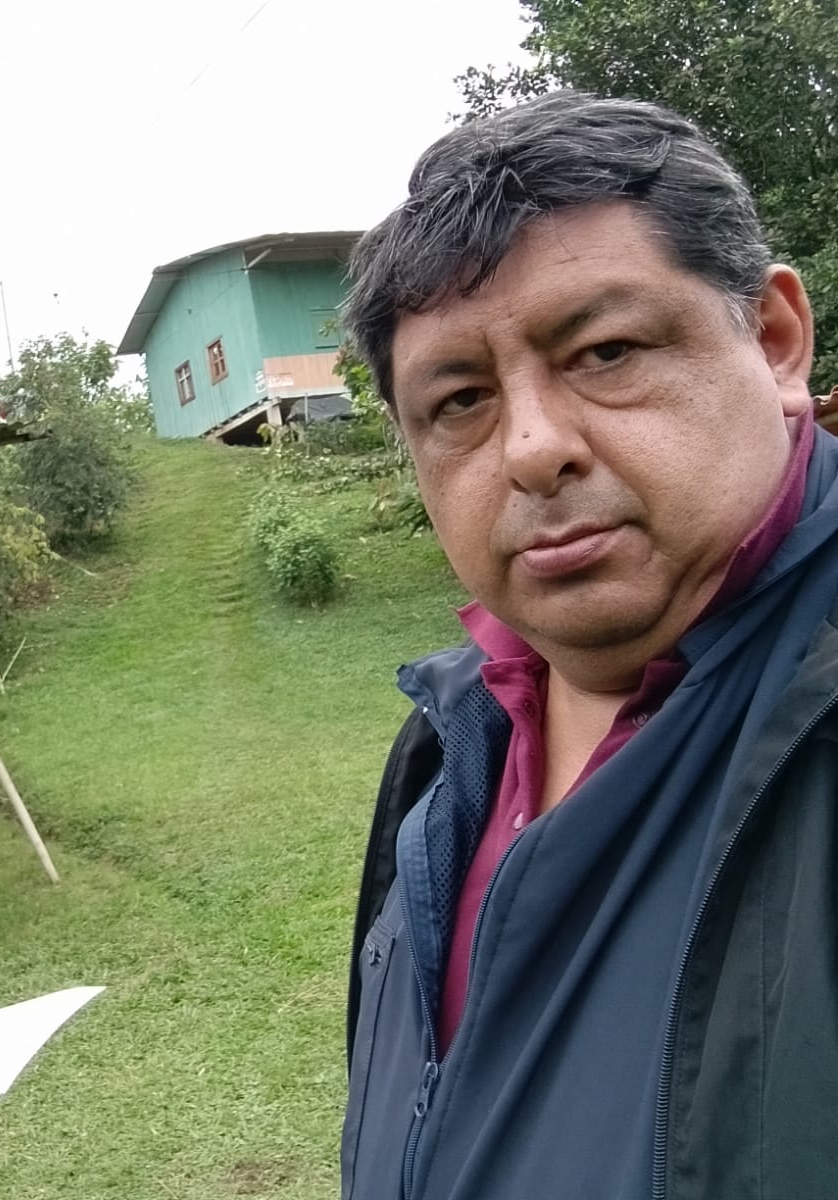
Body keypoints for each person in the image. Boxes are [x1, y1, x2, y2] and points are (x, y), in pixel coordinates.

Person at [338, 92, 838, 1200]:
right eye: (459, 400)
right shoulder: (448, 738)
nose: (532, 448)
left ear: (773, 340)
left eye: (606, 351)